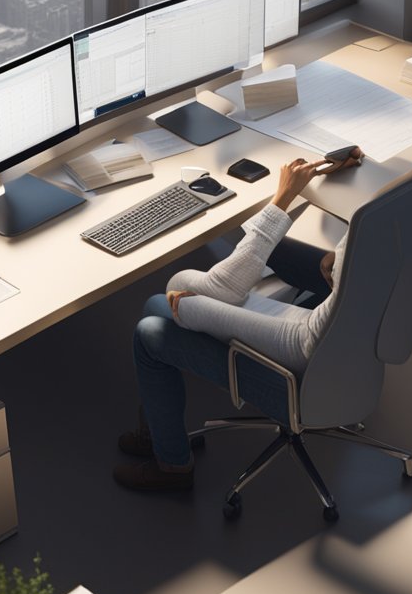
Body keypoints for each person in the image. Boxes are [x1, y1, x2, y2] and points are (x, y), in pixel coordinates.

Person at [114, 149, 363, 490]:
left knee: (154, 323)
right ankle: (160, 432)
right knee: (261, 252)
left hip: (307, 370)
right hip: (354, 344)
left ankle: (171, 464)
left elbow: (229, 296)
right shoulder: (396, 208)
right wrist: (338, 261)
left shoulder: (310, 342)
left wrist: (190, 308)